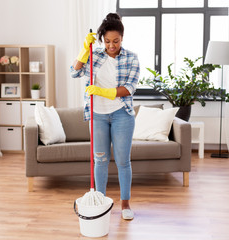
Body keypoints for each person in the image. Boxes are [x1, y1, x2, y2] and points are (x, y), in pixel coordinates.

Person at [70, 13, 140, 220]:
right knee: (100, 161)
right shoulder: (95, 55)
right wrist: (84, 51)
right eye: (107, 41)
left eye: (116, 41)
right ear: (102, 40)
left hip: (122, 115)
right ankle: (99, 202)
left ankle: (125, 204)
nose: (111, 45)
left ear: (122, 38)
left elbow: (130, 88)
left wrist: (104, 92)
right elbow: (74, 73)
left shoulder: (131, 58)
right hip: (97, 115)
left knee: (122, 162)